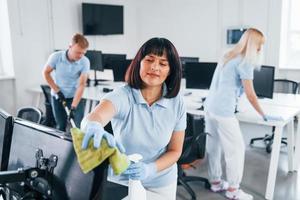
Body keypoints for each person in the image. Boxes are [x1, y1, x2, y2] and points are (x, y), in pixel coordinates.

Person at [80, 37, 186, 200]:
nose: (154, 67)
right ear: (139, 63)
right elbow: (94, 117)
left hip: (161, 183)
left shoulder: (177, 102)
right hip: (123, 183)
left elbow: (175, 150)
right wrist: (92, 126)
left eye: (163, 63)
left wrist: (150, 169)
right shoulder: (123, 96)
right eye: (149, 60)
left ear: (170, 70)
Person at [204, 28, 282, 200]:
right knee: (236, 150)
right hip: (224, 112)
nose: (261, 49)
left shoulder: (228, 55)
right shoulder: (245, 62)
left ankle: (215, 182)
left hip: (210, 107)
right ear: (254, 45)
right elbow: (251, 94)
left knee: (214, 147)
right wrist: (263, 115)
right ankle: (233, 190)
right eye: (260, 45)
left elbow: (221, 84)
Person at [43, 33, 90, 131]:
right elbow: (46, 73)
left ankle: (75, 146)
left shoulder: (84, 61)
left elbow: (81, 85)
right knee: (61, 126)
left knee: (78, 127)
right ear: (70, 47)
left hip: (75, 97)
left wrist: (73, 107)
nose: (80, 55)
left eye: (83, 53)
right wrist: (57, 91)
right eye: (78, 52)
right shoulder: (56, 57)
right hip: (58, 97)